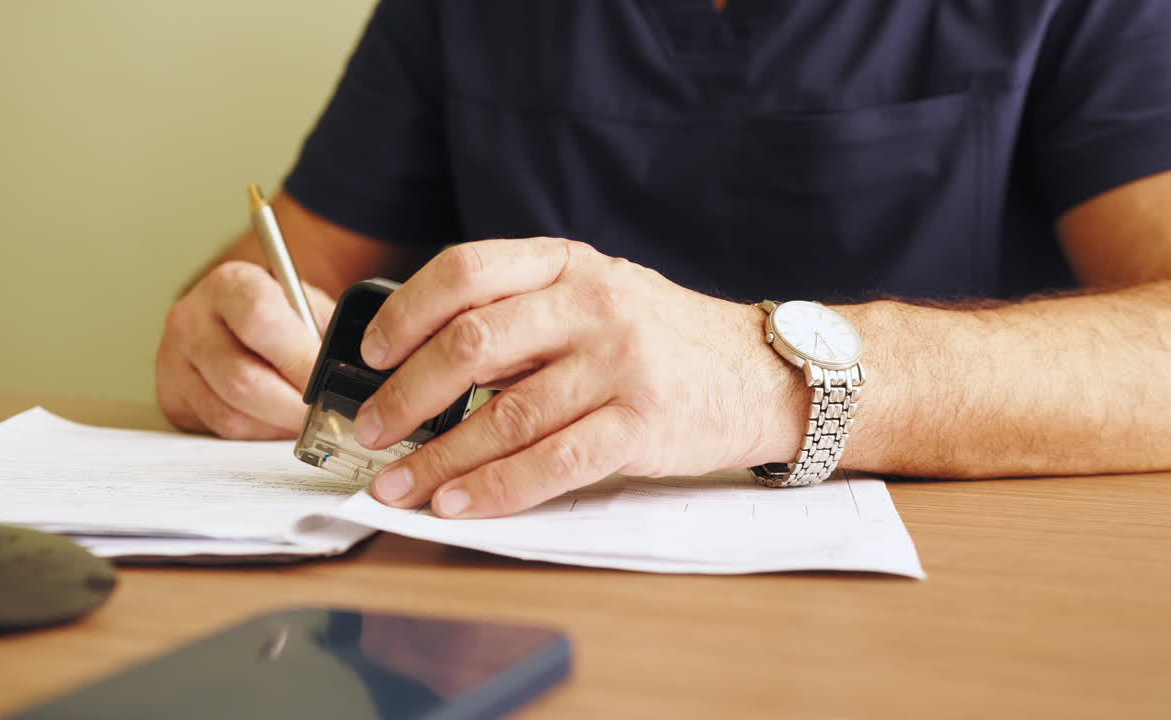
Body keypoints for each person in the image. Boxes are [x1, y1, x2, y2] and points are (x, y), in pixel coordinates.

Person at [156, 1, 1171, 519]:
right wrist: (225, 335)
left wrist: (768, 377)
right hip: (495, 595)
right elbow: (287, 278)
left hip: (944, 610)